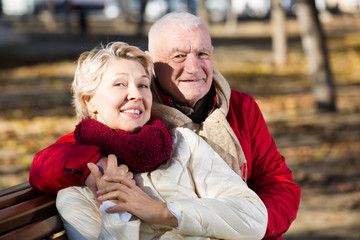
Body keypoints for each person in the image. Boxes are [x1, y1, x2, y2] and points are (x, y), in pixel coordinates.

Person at [30, 12, 300, 239]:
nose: (194, 68)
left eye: (202, 54)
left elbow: (277, 183)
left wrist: (243, 229)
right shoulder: (132, 119)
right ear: (152, 62)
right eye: (179, 56)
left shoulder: (238, 108)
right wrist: (96, 167)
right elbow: (48, 162)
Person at [52, 41, 267, 239]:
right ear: (89, 101)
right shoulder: (77, 195)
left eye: (143, 85)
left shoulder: (184, 144)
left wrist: (164, 212)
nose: (136, 94)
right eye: (120, 84)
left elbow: (255, 218)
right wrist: (118, 211)